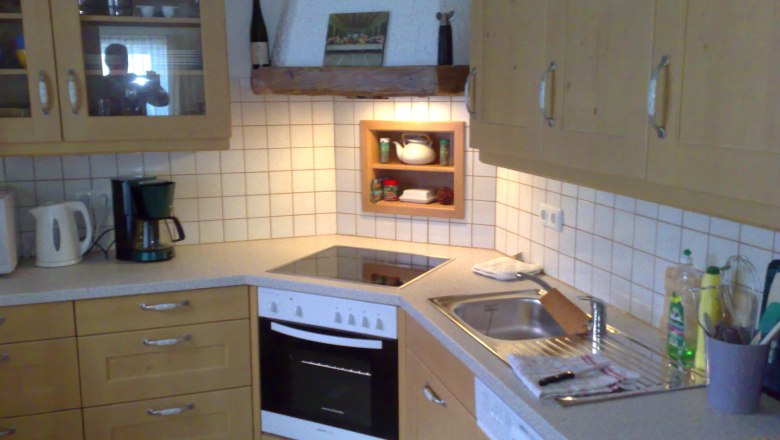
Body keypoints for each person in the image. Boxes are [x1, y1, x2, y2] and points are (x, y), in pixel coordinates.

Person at [97, 43, 169, 116]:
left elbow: (163, 102)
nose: (120, 65)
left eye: (123, 61)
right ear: (107, 62)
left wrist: (155, 85)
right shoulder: (100, 85)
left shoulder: (136, 86)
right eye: (115, 62)